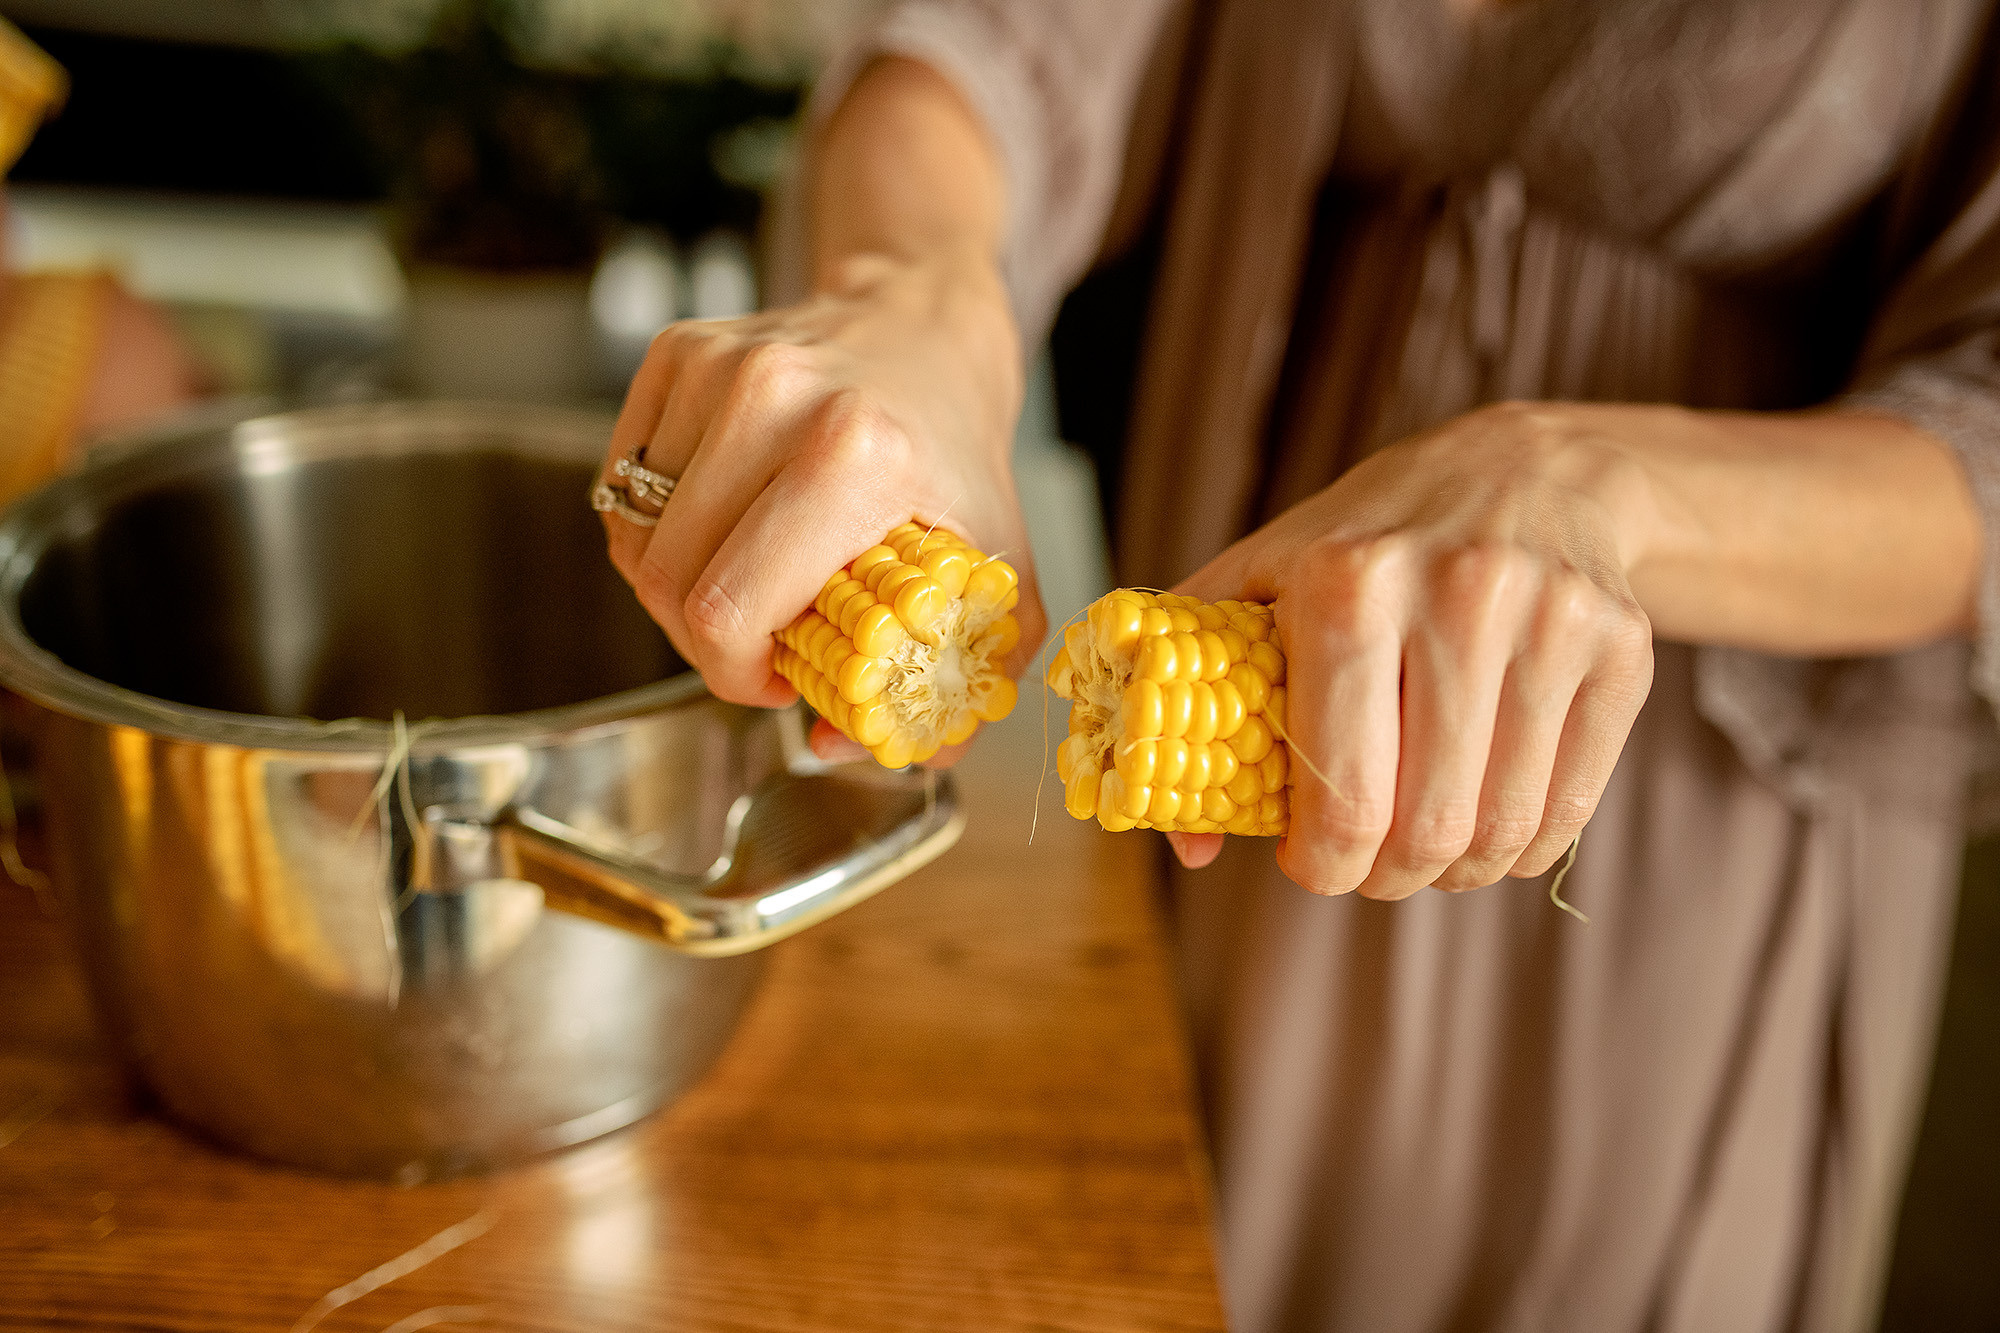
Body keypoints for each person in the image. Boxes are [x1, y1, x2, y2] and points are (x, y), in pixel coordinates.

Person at [594, 3, 1997, 1329]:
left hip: (1672, 812)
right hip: (1240, 707)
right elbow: (994, 42)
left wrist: (1586, 482)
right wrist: (921, 301)